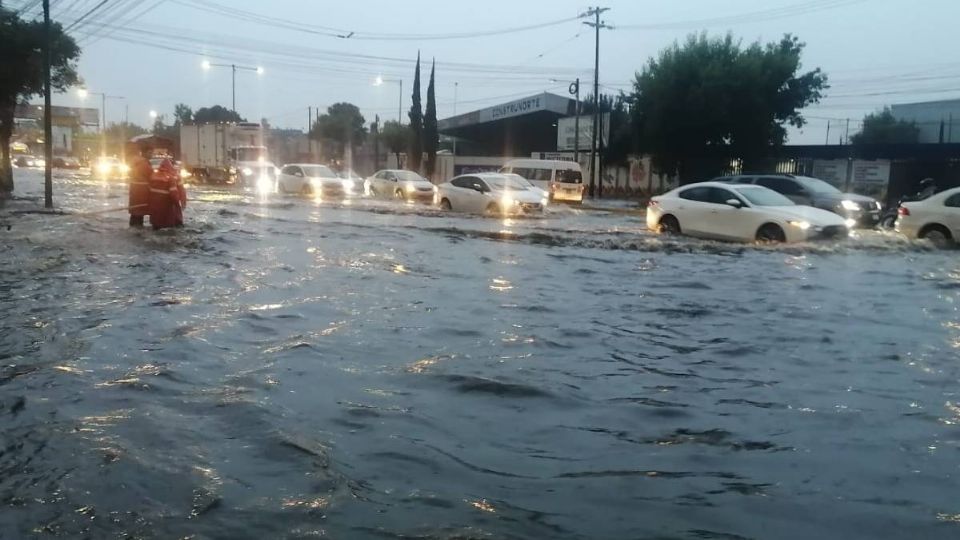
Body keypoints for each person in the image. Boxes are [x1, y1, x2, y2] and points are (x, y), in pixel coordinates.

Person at [148, 157, 186, 229]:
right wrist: (179, 203)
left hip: (154, 209)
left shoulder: (153, 176)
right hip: (167, 209)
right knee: (171, 228)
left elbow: (149, 191)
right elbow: (174, 194)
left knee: (156, 227)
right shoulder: (171, 178)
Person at [128, 146, 153, 227]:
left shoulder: (135, 163)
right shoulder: (144, 164)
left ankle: (133, 227)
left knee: (135, 212)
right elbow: (151, 176)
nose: (151, 155)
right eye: (150, 153)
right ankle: (138, 229)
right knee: (139, 212)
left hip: (134, 190)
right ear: (144, 153)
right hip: (142, 191)